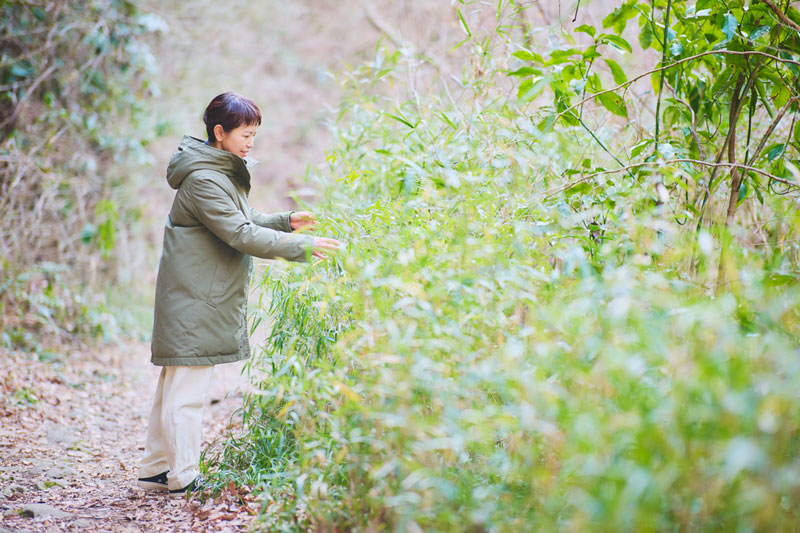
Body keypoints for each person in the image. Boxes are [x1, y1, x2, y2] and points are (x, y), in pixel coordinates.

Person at [136, 92, 340, 495]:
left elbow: (243, 219)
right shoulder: (203, 179)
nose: (250, 143)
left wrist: (285, 222)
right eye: (245, 134)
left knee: (175, 386)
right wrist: (301, 246)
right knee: (186, 393)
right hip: (195, 299)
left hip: (195, 296)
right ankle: (182, 477)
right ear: (219, 132)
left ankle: (156, 470)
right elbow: (240, 233)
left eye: (254, 135)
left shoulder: (216, 172)